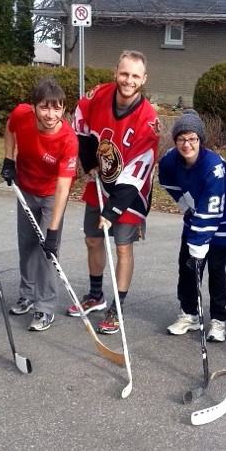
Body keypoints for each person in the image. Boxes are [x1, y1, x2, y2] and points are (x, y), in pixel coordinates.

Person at [70, 50, 160, 335]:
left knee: (122, 247)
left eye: (135, 76)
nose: (128, 80)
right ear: (115, 72)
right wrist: (89, 163)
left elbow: (138, 173)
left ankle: (117, 307)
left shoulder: (148, 120)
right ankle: (96, 296)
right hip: (100, 179)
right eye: (124, 73)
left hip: (130, 192)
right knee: (92, 239)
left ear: (143, 79)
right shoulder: (98, 96)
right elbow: (81, 124)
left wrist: (112, 211)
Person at [158, 110, 226, 342]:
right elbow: (168, 182)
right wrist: (187, 206)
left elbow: (212, 210)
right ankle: (190, 314)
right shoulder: (169, 160)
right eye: (181, 139)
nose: (187, 144)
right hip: (197, 215)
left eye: (192, 139)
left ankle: (218, 319)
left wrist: (199, 245)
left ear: (200, 140)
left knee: (217, 269)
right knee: (187, 267)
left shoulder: (213, 167)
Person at [1, 78, 78, 332]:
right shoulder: (21, 114)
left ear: (64, 109)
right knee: (27, 244)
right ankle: (27, 293)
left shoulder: (68, 140)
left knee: (47, 251)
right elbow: (10, 129)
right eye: (45, 107)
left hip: (50, 194)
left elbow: (63, 188)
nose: (51, 114)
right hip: (26, 187)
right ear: (34, 107)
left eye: (57, 108)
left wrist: (53, 232)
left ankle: (44, 307)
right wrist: (9, 159)